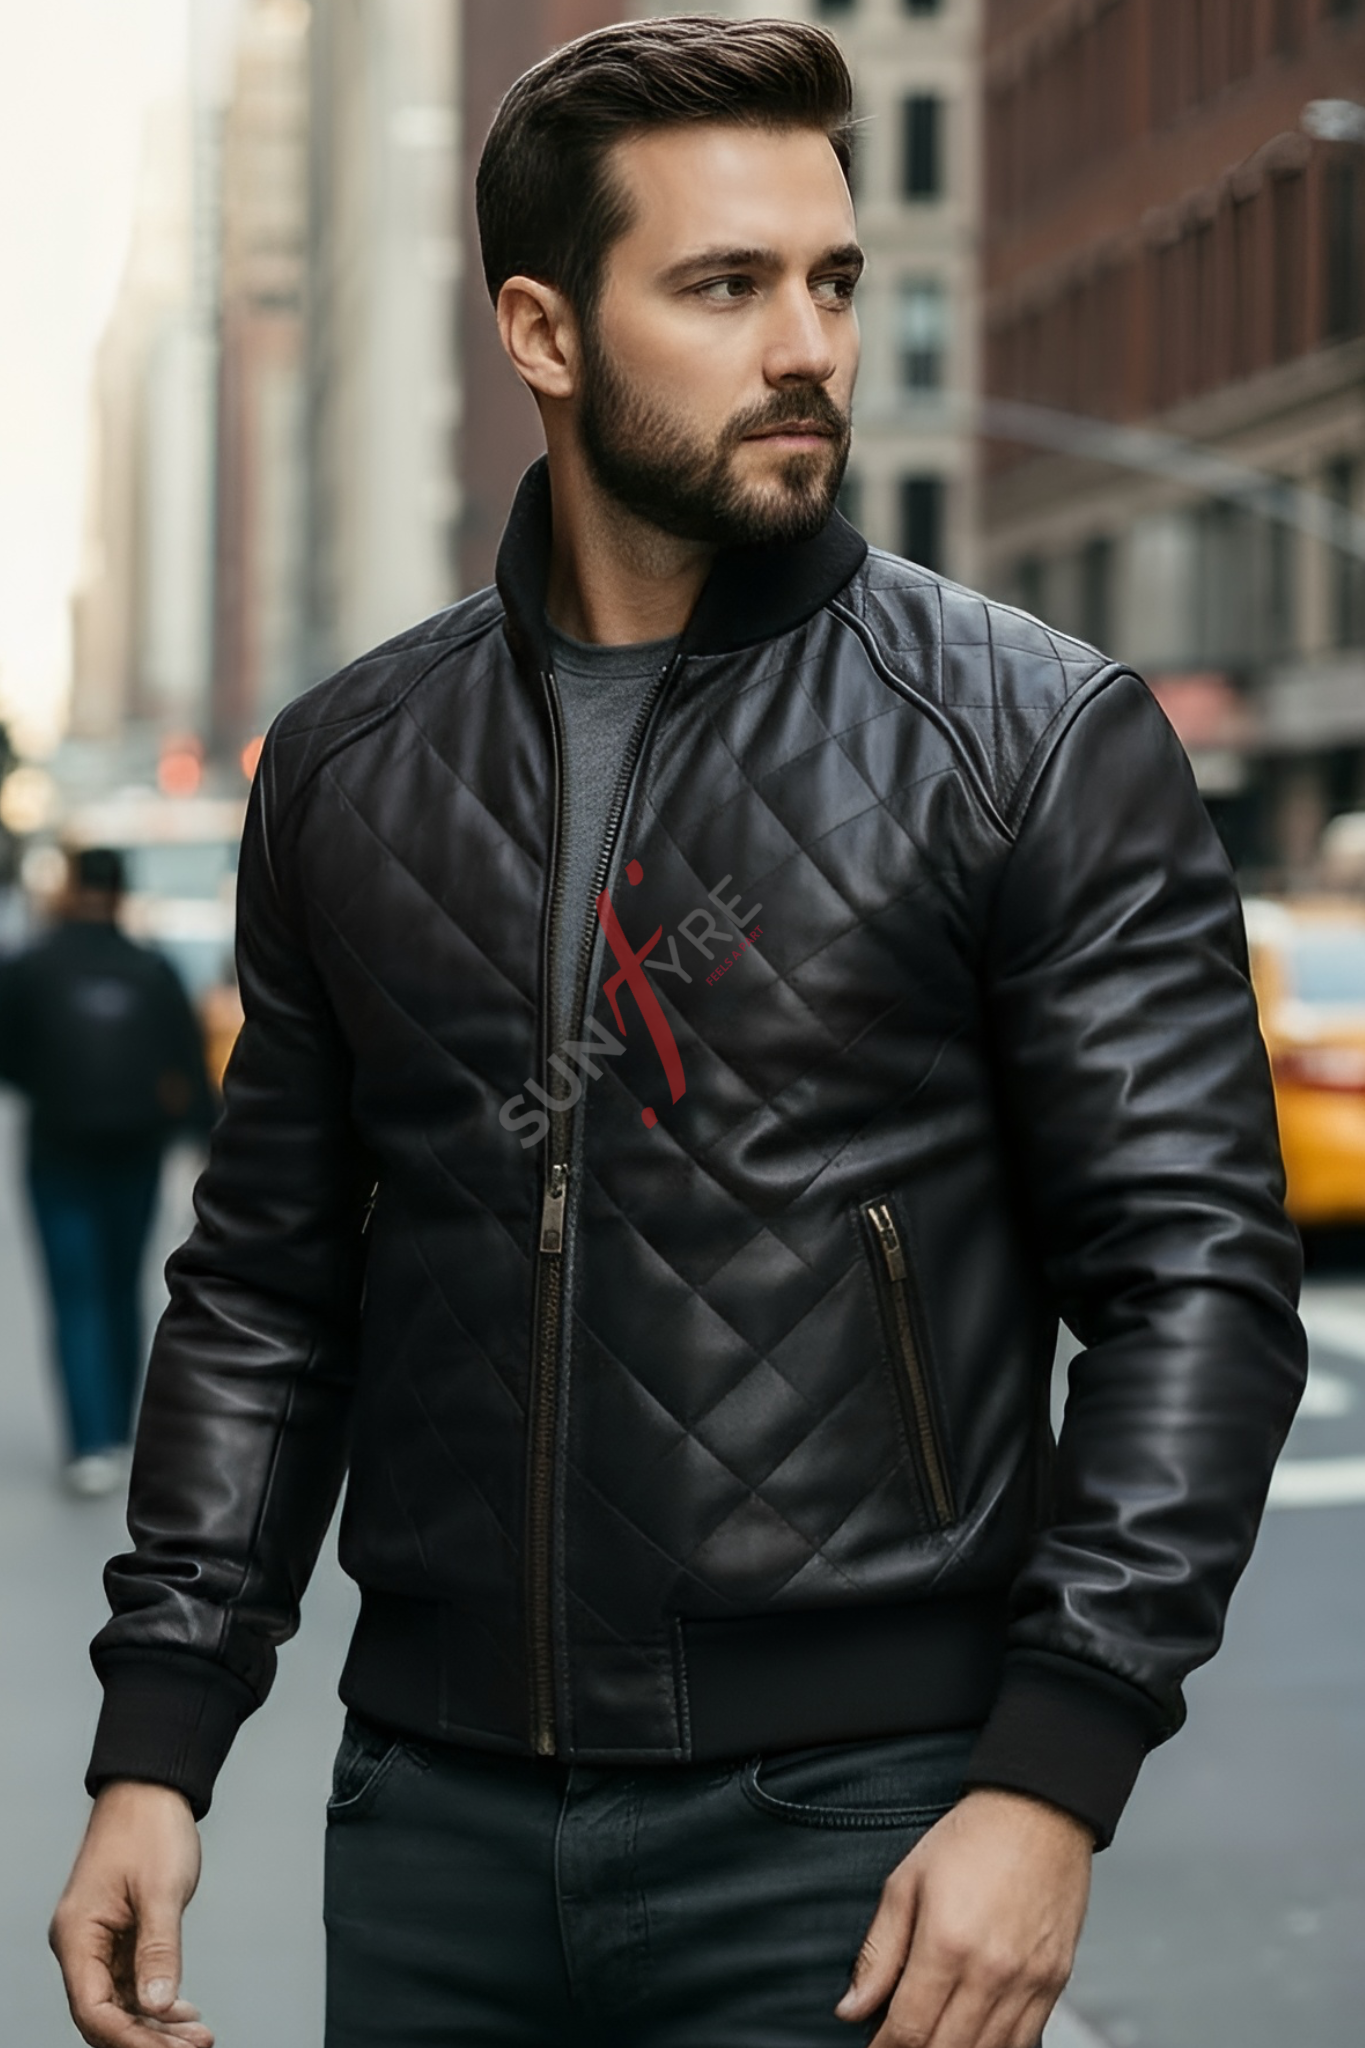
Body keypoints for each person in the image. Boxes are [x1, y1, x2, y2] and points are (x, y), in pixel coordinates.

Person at [51, 18, 1305, 2048]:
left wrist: (1047, 1775)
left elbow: (1196, 1287)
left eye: (828, 278)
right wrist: (156, 1742)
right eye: (723, 287)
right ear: (542, 333)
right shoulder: (347, 769)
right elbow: (270, 1287)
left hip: (852, 1827)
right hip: (428, 1821)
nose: (805, 341)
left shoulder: (1026, 737)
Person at [0, 846, 213, 1496]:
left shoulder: (32, 968)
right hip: (136, 1150)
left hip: (58, 1150)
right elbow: (189, 1068)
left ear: (69, 890)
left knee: (75, 1293)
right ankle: (122, 1434)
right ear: (122, 892)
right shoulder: (153, 970)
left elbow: (9, 1059)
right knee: (123, 1288)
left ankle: (89, 1442)